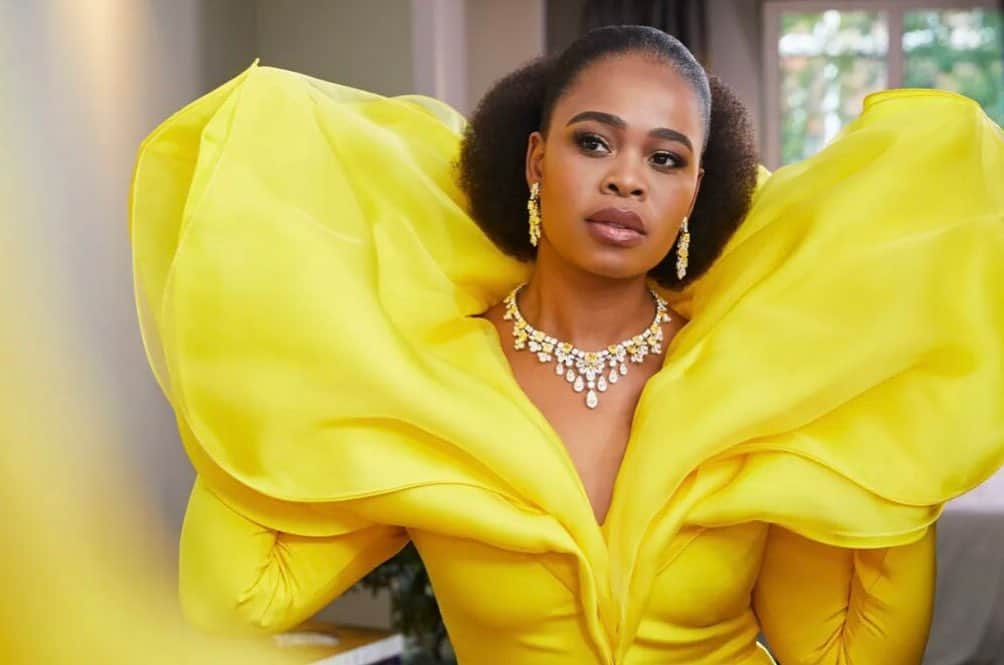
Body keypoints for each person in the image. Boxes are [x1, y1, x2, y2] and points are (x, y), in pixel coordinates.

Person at [129, 25, 1004, 665]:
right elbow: (235, 595)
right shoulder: (424, 377)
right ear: (536, 158)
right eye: (595, 141)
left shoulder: (745, 376)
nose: (628, 176)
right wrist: (266, 343)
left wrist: (901, 436)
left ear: (697, 190)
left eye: (666, 159)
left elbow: (842, 653)